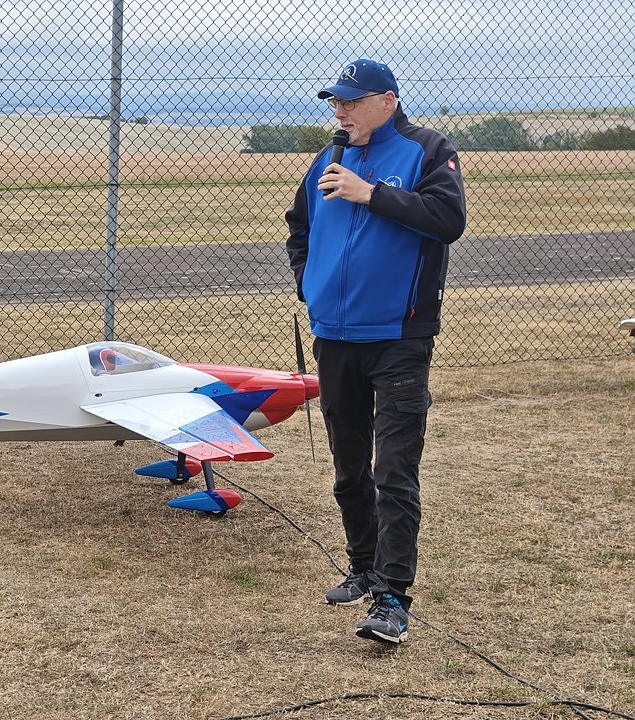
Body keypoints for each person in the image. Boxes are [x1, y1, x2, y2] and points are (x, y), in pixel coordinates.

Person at [284, 59, 467, 644]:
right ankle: (362, 566)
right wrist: (310, 284)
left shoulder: (426, 151)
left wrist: (373, 195)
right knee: (348, 468)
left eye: (351, 102)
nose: (340, 112)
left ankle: (392, 597)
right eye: (335, 102)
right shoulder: (327, 158)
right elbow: (299, 226)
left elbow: (448, 220)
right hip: (335, 336)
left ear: (387, 101)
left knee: (394, 472)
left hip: (398, 337)